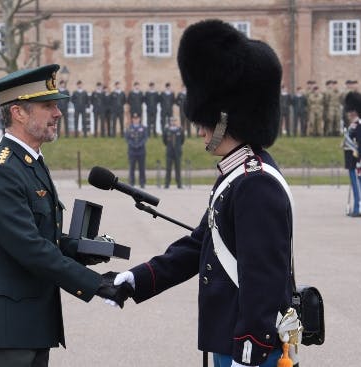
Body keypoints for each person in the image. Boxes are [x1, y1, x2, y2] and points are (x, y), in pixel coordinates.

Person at [110, 19, 295, 367]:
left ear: (223, 119)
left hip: (248, 348)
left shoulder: (255, 182)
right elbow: (199, 244)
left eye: (204, 121)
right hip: (228, 338)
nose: (199, 130)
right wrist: (137, 280)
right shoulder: (238, 175)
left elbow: (264, 277)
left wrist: (250, 351)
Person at [0, 64, 133, 367]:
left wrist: (84, 250)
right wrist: (96, 284)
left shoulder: (29, 163)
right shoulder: (0, 173)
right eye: (48, 106)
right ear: (18, 113)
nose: (58, 113)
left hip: (30, 325)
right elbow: (31, 249)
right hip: (5, 330)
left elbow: (46, 238)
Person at [342, 92, 361, 217]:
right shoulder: (352, 126)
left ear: (356, 112)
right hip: (351, 161)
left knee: (358, 185)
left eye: (351, 111)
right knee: (355, 185)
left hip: (357, 160)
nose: (349, 113)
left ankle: (360, 209)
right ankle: (356, 208)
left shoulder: (360, 125)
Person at [124, 112, 147, 188]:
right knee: (132, 168)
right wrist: (133, 145)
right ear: (132, 120)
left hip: (141, 151)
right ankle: (132, 182)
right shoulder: (129, 128)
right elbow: (127, 139)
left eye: (137, 119)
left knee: (142, 168)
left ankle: (142, 182)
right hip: (132, 151)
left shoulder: (143, 128)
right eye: (134, 119)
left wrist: (139, 145)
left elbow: (145, 138)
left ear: (139, 119)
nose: (135, 120)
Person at [162, 116, 184, 188]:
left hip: (177, 152)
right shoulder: (166, 130)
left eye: (175, 121)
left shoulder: (180, 130)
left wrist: (177, 147)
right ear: (170, 122)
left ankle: (179, 184)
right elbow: (164, 141)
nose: (173, 122)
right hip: (169, 152)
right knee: (168, 169)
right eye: (172, 121)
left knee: (178, 168)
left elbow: (182, 140)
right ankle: (167, 184)